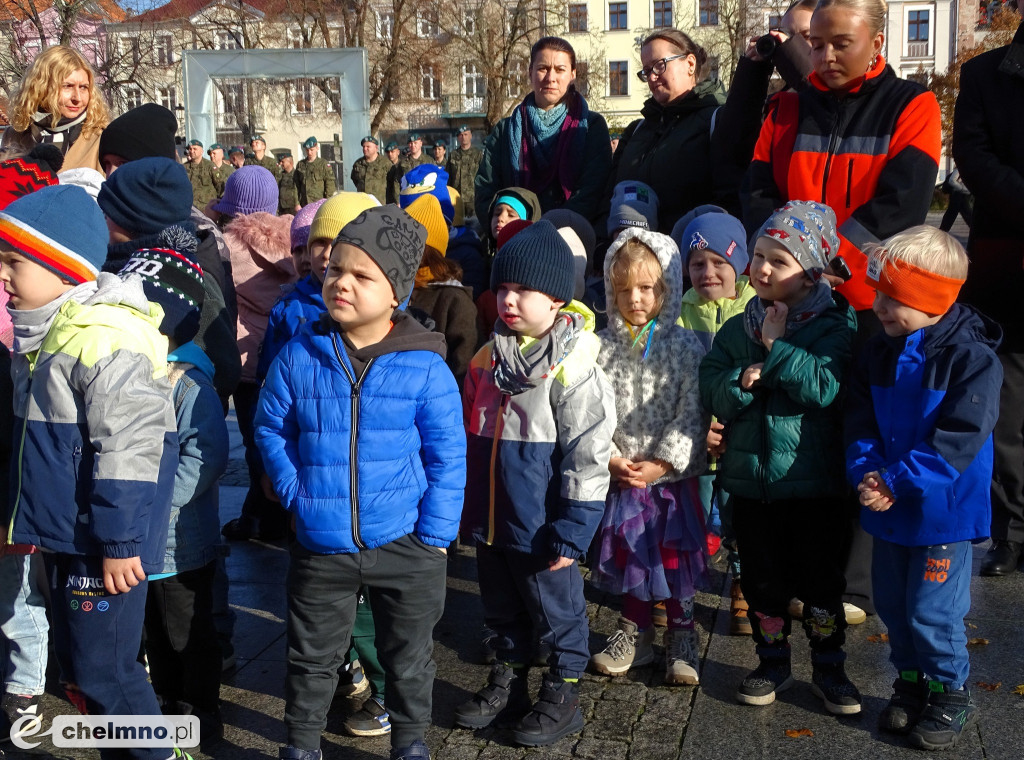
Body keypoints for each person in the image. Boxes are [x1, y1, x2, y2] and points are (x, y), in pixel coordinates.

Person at [256, 204, 465, 760]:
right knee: (311, 655)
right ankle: (301, 744)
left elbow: (447, 454)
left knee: (408, 655)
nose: (341, 282)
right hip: (321, 541)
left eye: (361, 275)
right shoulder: (301, 353)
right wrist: (295, 491)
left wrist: (436, 536)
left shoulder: (424, 366)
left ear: (395, 292)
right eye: (334, 270)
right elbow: (270, 424)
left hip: (406, 542)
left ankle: (410, 740)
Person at [0, 185, 178, 759]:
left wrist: (121, 541)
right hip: (78, 535)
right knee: (93, 671)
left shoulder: (101, 336)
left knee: (110, 673)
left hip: (106, 543)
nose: (2, 278)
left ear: (61, 270)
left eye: (13, 264)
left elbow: (128, 448)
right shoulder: (49, 334)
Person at [456, 220, 615, 746]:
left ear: (556, 300)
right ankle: (510, 679)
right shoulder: (487, 358)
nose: (509, 300)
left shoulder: (573, 364)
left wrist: (575, 526)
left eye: (524, 290)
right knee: (501, 608)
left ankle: (564, 691)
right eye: (502, 288)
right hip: (494, 517)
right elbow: (468, 433)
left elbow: (589, 452)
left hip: (543, 523)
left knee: (558, 612)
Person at [700, 201, 860, 715]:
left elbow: (827, 387)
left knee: (820, 584)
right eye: (758, 256)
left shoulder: (836, 324)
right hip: (751, 484)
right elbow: (712, 390)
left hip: (814, 486)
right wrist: (742, 382)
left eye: (779, 261)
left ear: (811, 269)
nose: (762, 270)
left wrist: (775, 351)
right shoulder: (737, 327)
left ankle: (830, 667)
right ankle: (772, 662)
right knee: (763, 583)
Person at [845, 226, 1002, 750]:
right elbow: (861, 420)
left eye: (895, 298)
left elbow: (959, 438)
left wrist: (895, 479)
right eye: (880, 293)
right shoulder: (879, 350)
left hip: (942, 511)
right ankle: (911, 682)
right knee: (892, 602)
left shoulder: (971, 359)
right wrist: (867, 470)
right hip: (889, 504)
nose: (880, 306)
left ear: (932, 299)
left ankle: (950, 690)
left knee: (932, 609)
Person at [743, 0, 941, 317]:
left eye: (841, 44)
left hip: (871, 301)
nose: (826, 57)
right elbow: (757, 194)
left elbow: (902, 204)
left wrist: (832, 263)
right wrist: (785, 261)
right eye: (816, 45)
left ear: (876, 42)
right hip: (790, 295)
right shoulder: (785, 110)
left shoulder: (912, 105)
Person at [589, 228, 709, 684]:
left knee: (673, 559)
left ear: (668, 289)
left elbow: (692, 409)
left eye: (647, 289)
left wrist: (664, 461)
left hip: (670, 481)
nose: (635, 299)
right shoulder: (603, 347)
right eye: (624, 290)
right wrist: (613, 458)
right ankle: (634, 631)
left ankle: (681, 632)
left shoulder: (683, 346)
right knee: (634, 558)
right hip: (625, 475)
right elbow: (594, 410)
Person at [120, 245, 228, 747]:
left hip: (180, 542)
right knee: (155, 633)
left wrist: (156, 504)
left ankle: (200, 708)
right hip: (143, 540)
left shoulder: (189, 386)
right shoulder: (132, 372)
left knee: (189, 633)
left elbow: (203, 458)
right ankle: (166, 701)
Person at [953, 16, 1024, 577]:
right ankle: (1013, 532)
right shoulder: (985, 74)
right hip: (1009, 263)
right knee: (1007, 412)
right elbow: (973, 159)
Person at [674, 208, 757, 637]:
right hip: (697, 437)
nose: (708, 272)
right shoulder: (680, 312)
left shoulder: (756, 308)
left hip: (743, 441)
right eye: (697, 263)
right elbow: (674, 378)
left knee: (740, 518)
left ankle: (743, 588)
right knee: (691, 513)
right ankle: (680, 591)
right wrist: (697, 425)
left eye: (719, 263)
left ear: (739, 264)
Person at [209, 166, 295, 542]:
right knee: (283, 439)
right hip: (284, 356)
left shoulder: (228, 248)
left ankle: (261, 518)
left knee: (255, 443)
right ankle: (267, 514)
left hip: (247, 364)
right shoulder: (296, 245)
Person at [601, 30, 726, 241]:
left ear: (690, 64)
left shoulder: (718, 120)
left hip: (689, 262)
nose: (651, 76)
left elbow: (728, 198)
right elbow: (608, 198)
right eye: (646, 70)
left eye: (659, 65)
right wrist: (602, 244)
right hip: (629, 260)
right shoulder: (636, 130)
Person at [476, 37, 611, 224]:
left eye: (560, 70)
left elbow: (593, 191)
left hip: (571, 237)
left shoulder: (590, 126)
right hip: (514, 239)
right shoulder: (505, 130)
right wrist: (504, 223)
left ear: (572, 74)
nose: (550, 78)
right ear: (530, 72)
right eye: (543, 68)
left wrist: (553, 230)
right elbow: (486, 189)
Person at [710, 0, 815, 215]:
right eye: (785, 35)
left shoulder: (855, 95)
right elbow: (733, 150)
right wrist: (752, 73)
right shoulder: (780, 102)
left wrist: (790, 54)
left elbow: (823, 99)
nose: (789, 44)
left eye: (805, 36)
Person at [403, 193, 480, 386]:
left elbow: (464, 369)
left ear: (428, 249)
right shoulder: (392, 288)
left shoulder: (454, 300)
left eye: (408, 242)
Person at [0, 45, 110, 172]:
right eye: (67, 86)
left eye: (83, 87)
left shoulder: (102, 138)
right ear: (41, 87)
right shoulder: (15, 136)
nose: (77, 98)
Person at [447, 126, 482, 220]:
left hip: (473, 198)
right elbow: (448, 177)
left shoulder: (478, 154)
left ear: (470, 136)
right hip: (457, 198)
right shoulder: (453, 155)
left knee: (475, 226)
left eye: (466, 134)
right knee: (457, 225)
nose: (463, 137)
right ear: (458, 138)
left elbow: (483, 176)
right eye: (461, 135)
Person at [387, 133, 432, 203]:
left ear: (421, 144)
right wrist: (398, 201)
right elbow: (397, 182)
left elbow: (435, 180)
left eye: (415, 143)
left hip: (425, 199)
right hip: (407, 199)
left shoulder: (429, 161)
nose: (413, 145)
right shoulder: (403, 163)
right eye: (410, 143)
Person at [295, 136, 336, 207]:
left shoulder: (323, 164)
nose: (309, 152)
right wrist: (297, 203)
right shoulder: (300, 165)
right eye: (307, 150)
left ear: (317, 148)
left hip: (319, 203)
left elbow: (330, 185)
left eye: (311, 150)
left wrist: (327, 202)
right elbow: (295, 185)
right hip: (304, 203)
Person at [184, 139, 223, 211]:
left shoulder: (210, 166)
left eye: (195, 149)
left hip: (207, 210)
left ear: (202, 151)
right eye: (190, 149)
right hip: (189, 209)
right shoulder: (184, 167)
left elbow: (220, 186)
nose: (192, 151)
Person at [351, 136, 389, 204]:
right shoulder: (358, 164)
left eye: (368, 146)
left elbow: (392, 183)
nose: (365, 149)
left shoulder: (385, 163)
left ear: (376, 148)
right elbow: (355, 180)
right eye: (363, 147)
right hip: (362, 203)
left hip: (379, 203)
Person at [939, 167, 973, 232]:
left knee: (952, 215)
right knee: (965, 214)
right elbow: (952, 181)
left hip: (960, 195)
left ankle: (942, 232)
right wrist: (962, 189)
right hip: (958, 194)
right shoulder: (960, 168)